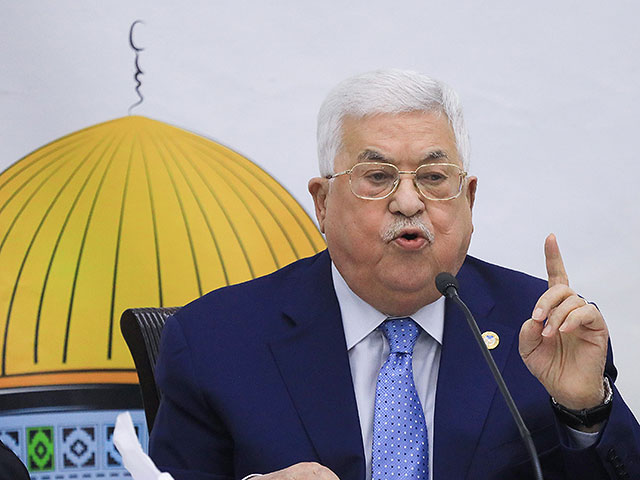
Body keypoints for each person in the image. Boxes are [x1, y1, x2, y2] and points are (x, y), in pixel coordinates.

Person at [149, 69, 640, 479]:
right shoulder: (214, 341)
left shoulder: (544, 329)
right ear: (323, 203)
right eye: (378, 177)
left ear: (468, 200)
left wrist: (585, 411)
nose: (408, 202)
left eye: (433, 178)